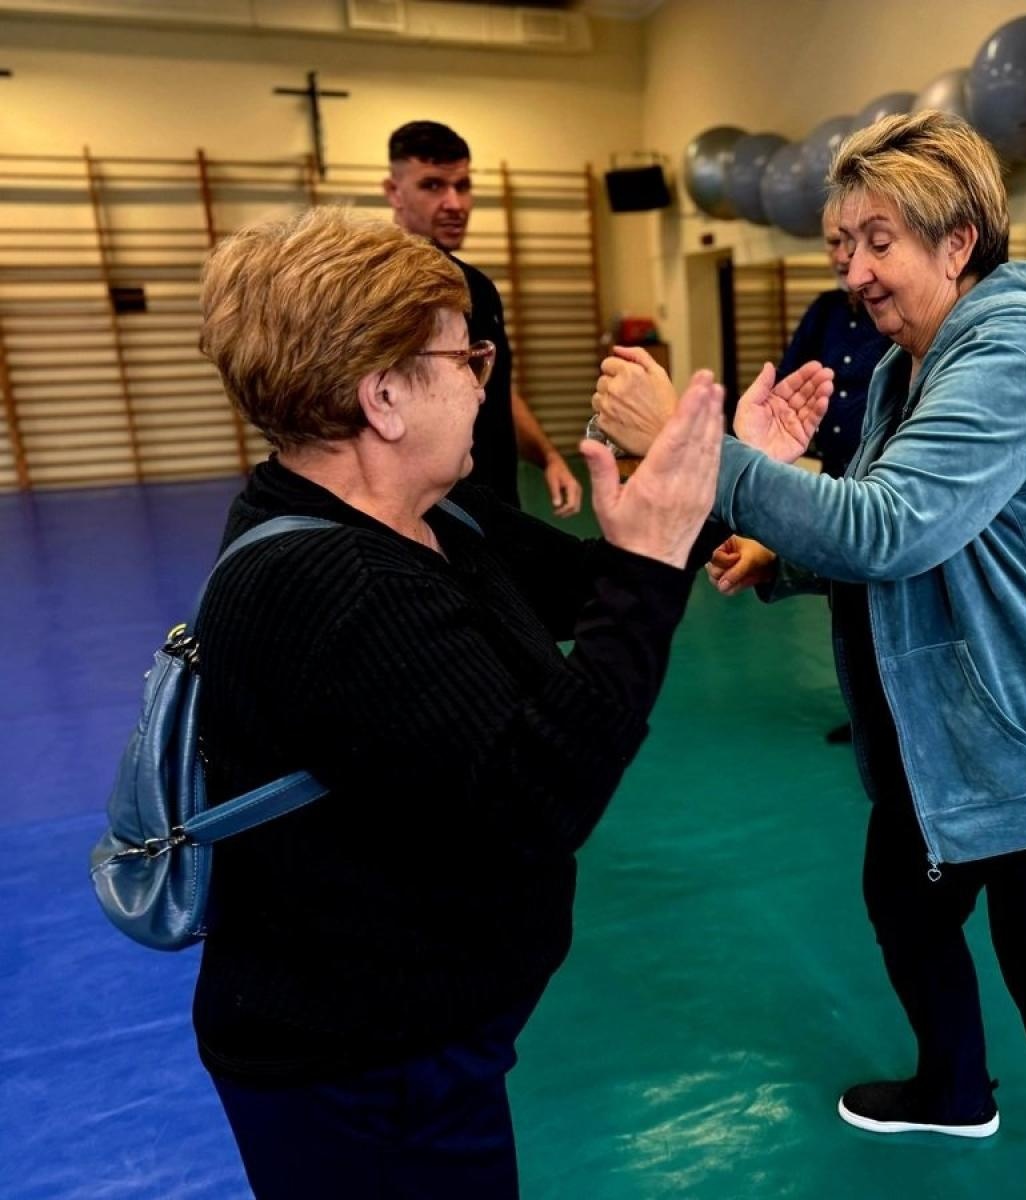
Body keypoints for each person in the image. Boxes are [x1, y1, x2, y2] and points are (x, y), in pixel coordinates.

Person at [595, 111, 1026, 1200]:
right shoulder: (903, 372)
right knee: (902, 901)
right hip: (957, 744)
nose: (854, 272)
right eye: (840, 247)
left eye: (878, 241)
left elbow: (888, 527)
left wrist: (688, 451)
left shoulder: (1007, 361)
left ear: (957, 243)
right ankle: (955, 1087)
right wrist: (777, 554)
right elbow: (902, 540)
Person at [189, 205, 734, 1198]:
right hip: (359, 1073)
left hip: (424, 1048)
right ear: (384, 394)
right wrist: (652, 565)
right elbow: (538, 796)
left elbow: (579, 592)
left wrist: (688, 510)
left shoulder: (417, 513)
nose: (485, 379)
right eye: (465, 358)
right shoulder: (331, 582)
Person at [384, 120, 583, 516]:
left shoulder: (474, 286)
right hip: (434, 520)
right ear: (394, 192)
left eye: (463, 186)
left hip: (496, 510)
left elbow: (490, 388)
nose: (455, 204)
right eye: (433, 185)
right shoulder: (381, 293)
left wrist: (548, 456)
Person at [777, 207, 893, 743]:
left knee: (887, 602)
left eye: (857, 242)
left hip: (886, 480)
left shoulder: (895, 311)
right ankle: (866, 709)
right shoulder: (824, 312)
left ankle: (897, 715)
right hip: (837, 473)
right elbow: (787, 381)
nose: (842, 254)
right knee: (845, 603)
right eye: (832, 242)